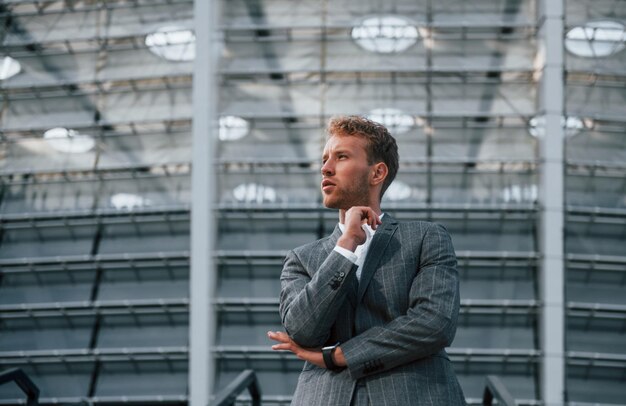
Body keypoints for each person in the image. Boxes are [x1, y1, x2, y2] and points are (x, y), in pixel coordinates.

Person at [268, 115, 466, 405]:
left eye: (341, 157)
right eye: (324, 159)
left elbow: (434, 323)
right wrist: (346, 245)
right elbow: (303, 331)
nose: (325, 168)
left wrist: (339, 355)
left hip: (415, 395)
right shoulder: (302, 259)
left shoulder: (426, 238)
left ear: (377, 173)